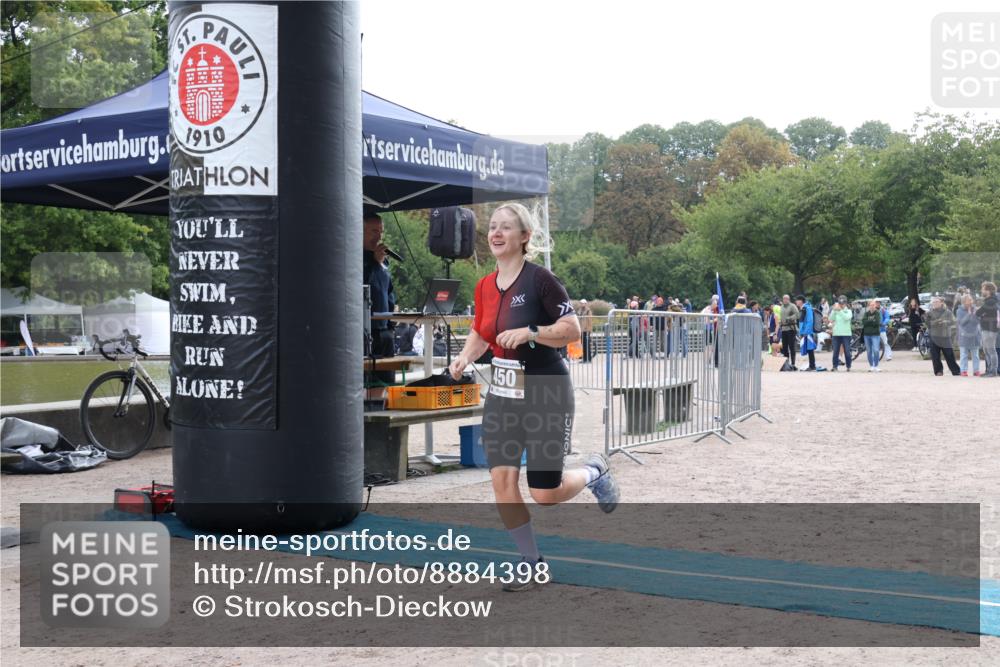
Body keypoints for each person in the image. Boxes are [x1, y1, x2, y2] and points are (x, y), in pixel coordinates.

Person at [448, 202, 619, 592]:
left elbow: (572, 329)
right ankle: (532, 563)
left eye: (506, 228)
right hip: (505, 393)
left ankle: (595, 471)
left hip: (546, 389)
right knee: (502, 481)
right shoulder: (484, 285)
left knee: (544, 493)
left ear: (524, 237)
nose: (496, 233)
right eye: (492, 227)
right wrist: (463, 356)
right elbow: (481, 331)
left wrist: (531, 332)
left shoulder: (541, 280)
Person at [363, 210, 397, 400]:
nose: (379, 237)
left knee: (385, 382)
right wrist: (375, 263)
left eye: (381, 232)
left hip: (385, 330)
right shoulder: (354, 258)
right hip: (366, 331)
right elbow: (359, 287)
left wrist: (392, 322)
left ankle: (383, 423)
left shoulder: (384, 260)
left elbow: (389, 291)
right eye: (373, 231)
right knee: (367, 382)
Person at [924, 296, 961, 376]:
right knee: (935, 356)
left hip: (945, 336)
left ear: (941, 303)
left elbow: (953, 322)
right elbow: (927, 324)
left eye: (936, 302)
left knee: (949, 354)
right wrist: (936, 322)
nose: (934, 303)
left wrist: (945, 322)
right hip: (934, 336)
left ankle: (956, 371)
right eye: (933, 302)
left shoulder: (948, 312)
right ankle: (938, 371)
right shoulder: (929, 313)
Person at [956, 294, 981, 377]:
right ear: (964, 301)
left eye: (971, 300)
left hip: (975, 335)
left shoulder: (976, 309)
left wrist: (974, 314)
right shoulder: (959, 311)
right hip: (964, 336)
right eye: (968, 300)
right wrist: (969, 314)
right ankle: (963, 370)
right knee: (963, 355)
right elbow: (961, 322)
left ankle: (976, 370)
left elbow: (977, 321)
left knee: (976, 355)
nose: (971, 301)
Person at [977, 281, 999, 377]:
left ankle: (993, 371)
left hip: (990, 329)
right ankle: (989, 370)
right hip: (987, 328)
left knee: (991, 350)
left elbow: (978, 312)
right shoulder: (990, 300)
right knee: (987, 350)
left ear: (988, 290)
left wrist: (983, 315)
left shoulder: (991, 301)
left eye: (983, 288)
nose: (981, 290)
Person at [829, 296, 853, 371]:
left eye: (843, 303)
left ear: (845, 303)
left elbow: (846, 318)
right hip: (836, 334)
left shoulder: (849, 311)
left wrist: (840, 311)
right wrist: (833, 310)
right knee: (835, 351)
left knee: (847, 351)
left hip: (846, 334)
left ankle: (848, 366)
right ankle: (834, 366)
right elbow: (830, 319)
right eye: (840, 303)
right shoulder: (836, 311)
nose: (841, 305)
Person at [796, 295, 818, 371]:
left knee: (810, 349)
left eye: (797, 300)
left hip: (808, 332)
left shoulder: (807, 308)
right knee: (809, 349)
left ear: (801, 301)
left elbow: (810, 320)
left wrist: (806, 331)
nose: (796, 302)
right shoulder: (803, 308)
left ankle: (812, 366)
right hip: (805, 332)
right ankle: (812, 365)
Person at [861, 299, 883, 372]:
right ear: (868, 306)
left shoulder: (877, 313)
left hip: (875, 335)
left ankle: (876, 365)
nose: (872, 306)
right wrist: (871, 321)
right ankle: (871, 366)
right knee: (869, 351)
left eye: (873, 305)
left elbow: (877, 322)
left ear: (875, 305)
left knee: (876, 350)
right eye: (871, 305)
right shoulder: (866, 314)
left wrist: (869, 322)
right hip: (866, 335)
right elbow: (864, 322)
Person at [778, 294, 799, 369]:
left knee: (791, 346)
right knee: (784, 347)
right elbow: (781, 316)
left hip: (791, 328)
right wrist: (780, 321)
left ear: (789, 299)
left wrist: (789, 318)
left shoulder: (792, 306)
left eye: (786, 299)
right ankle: (786, 363)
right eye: (784, 299)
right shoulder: (782, 307)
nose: (785, 300)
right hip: (783, 329)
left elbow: (797, 314)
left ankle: (793, 363)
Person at [577, 299, 594, 363]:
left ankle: (588, 359)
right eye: (581, 303)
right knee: (583, 345)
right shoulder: (579, 311)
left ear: (586, 304)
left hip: (586, 330)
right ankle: (584, 358)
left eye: (583, 303)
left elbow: (590, 321)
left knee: (587, 345)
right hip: (581, 330)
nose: (582, 304)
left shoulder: (588, 311)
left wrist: (589, 329)